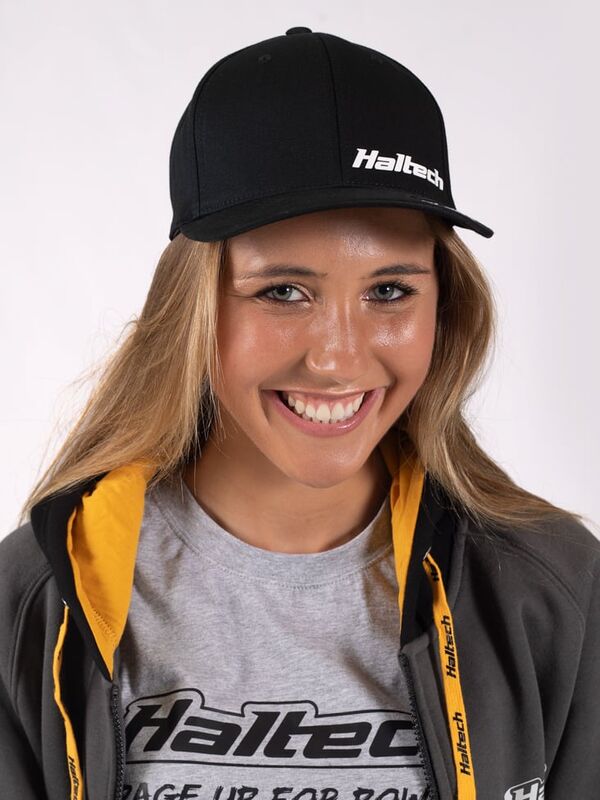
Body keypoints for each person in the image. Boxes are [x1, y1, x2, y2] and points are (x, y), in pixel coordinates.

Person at [1, 26, 598, 800]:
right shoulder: (37, 597)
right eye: (283, 291)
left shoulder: (554, 589)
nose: (338, 359)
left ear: (445, 306)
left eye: (390, 291)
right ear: (194, 308)